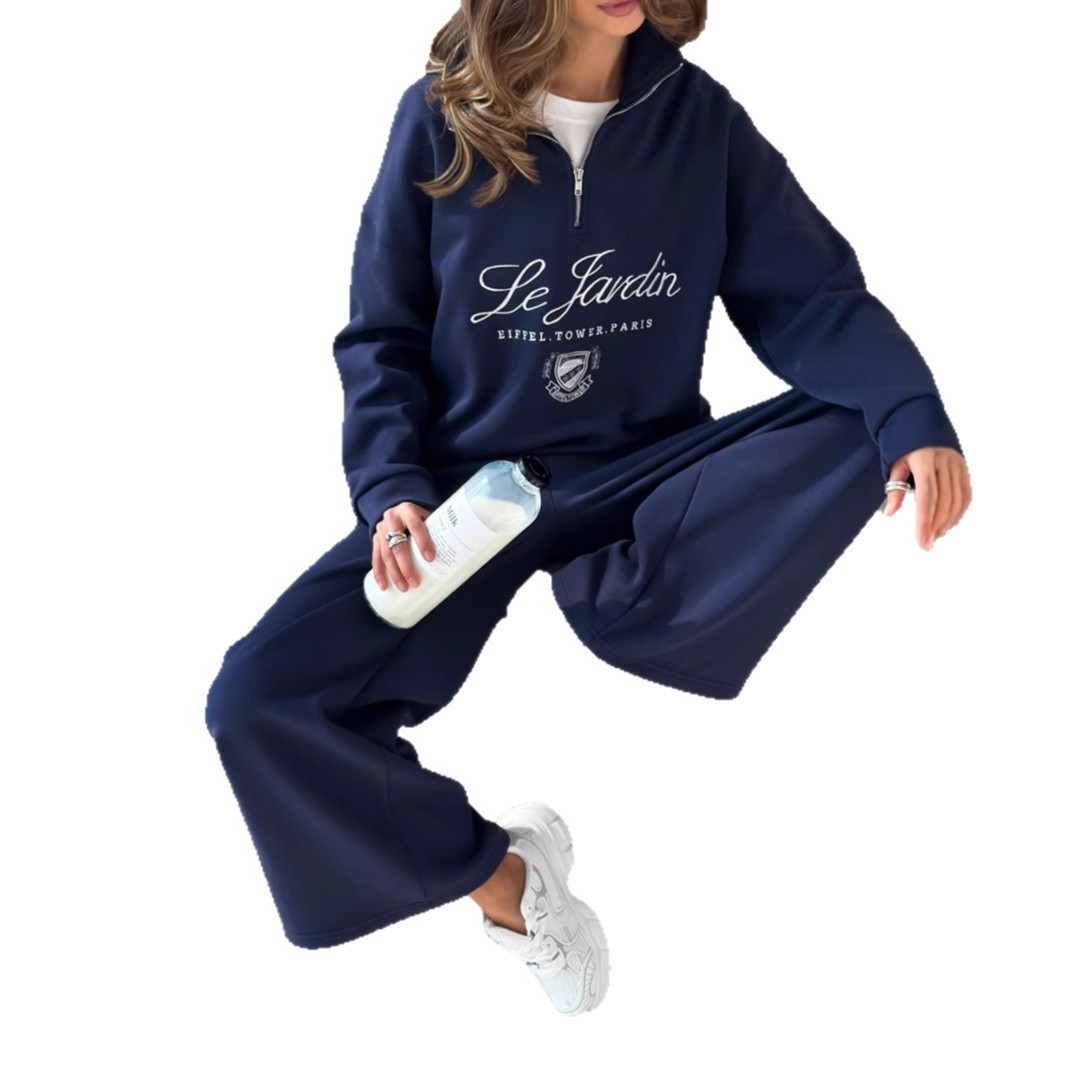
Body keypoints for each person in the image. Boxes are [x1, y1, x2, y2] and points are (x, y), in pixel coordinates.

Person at [204, 0, 972, 1016]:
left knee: (865, 409)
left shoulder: (699, 120)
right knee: (256, 700)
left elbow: (810, 298)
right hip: (467, 497)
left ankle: (636, 598)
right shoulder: (441, 117)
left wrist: (912, 415)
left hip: (642, 476)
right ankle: (505, 880)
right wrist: (391, 487)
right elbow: (383, 333)